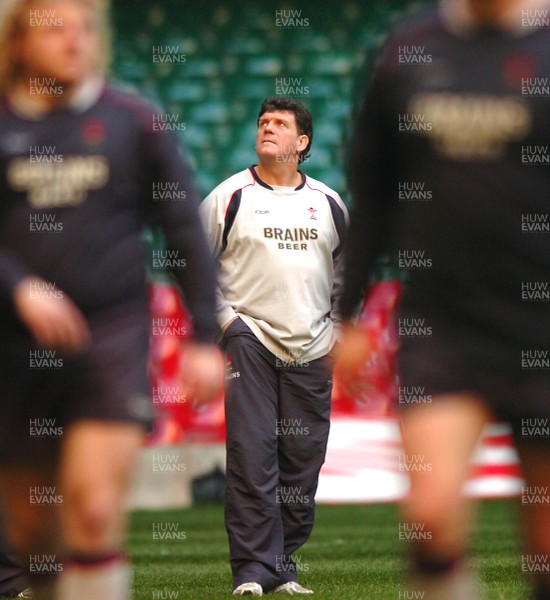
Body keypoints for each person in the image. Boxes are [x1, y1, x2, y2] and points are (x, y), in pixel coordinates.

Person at [0, 1, 224, 599]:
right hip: (14, 347)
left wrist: (205, 338)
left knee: (94, 513)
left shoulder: (134, 121)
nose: (74, 41)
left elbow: (182, 230)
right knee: (34, 536)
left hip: (112, 335)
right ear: (19, 40)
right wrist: (19, 286)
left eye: (85, 28)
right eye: (56, 28)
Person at [336, 0, 550, 598]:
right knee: (430, 518)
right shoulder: (407, 52)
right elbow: (374, 192)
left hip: (542, 328)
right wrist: (346, 314)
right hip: (442, 325)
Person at [200, 97, 348, 596]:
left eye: (280, 124)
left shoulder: (328, 203)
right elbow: (192, 266)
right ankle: (252, 572)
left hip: (313, 347)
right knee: (251, 454)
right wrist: (228, 325)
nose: (268, 128)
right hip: (252, 341)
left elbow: (349, 275)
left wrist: (339, 331)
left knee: (302, 463)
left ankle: (283, 565)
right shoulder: (229, 197)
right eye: (262, 122)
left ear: (301, 143)